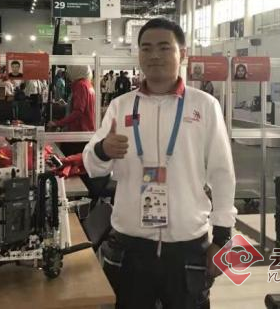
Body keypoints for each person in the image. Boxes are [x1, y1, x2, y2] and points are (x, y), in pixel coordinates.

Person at [83, 18, 236, 309]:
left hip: (187, 245)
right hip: (131, 245)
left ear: (182, 53)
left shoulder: (204, 106)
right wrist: (103, 150)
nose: (154, 55)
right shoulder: (121, 106)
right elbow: (93, 166)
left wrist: (223, 237)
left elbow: (222, 173)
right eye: (146, 48)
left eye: (164, 47)